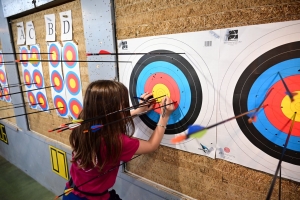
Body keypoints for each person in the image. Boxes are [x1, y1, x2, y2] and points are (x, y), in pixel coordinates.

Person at [62, 80, 174, 200]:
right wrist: (165, 116)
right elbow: (151, 145)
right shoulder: (117, 142)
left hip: (71, 193)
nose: (126, 107)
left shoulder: (81, 124)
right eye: (124, 105)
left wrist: (138, 110)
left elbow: (108, 121)